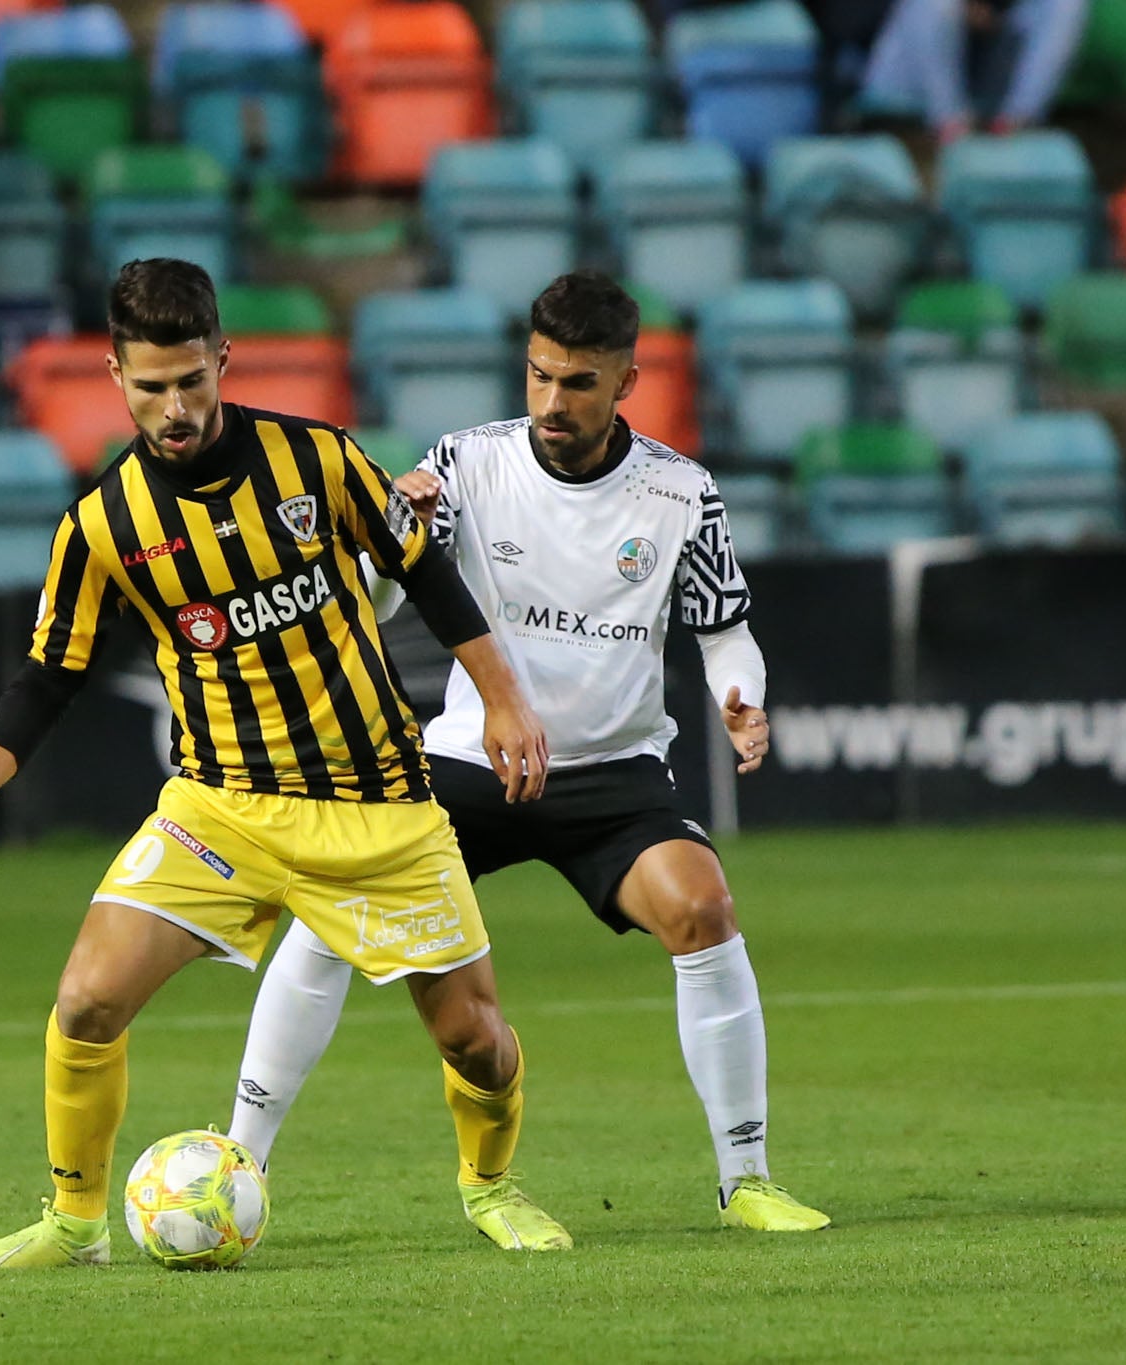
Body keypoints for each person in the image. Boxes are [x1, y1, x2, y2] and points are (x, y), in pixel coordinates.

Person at [0, 258, 569, 1270]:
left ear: (222, 360)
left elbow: (420, 570)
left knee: (472, 1039)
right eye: (148, 387)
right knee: (86, 1000)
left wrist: (505, 701)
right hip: (218, 809)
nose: (172, 409)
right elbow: (50, 674)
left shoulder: (317, 462)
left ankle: (491, 1187)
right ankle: (75, 1223)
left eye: (190, 381)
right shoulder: (103, 526)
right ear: (113, 374)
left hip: (376, 802)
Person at [226, 271, 832, 1234]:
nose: (553, 401)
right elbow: (381, 605)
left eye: (579, 383)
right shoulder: (466, 464)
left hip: (617, 774)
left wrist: (740, 697)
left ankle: (746, 1177)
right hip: (472, 761)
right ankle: (237, 1161)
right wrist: (398, 537)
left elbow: (726, 632)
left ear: (627, 380)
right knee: (330, 911)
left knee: (703, 907)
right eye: (540, 376)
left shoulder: (682, 494)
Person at [860, 0, 1089, 140]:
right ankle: (949, 125)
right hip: (905, 90)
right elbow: (850, 23)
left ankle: (1018, 122)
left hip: (988, 90)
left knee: (1067, 3)